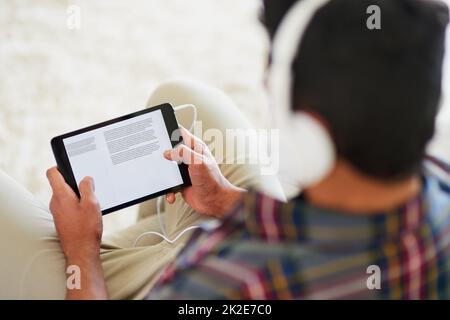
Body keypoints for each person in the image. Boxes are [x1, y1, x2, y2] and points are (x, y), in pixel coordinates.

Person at [1, 0, 450, 299]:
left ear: (308, 132)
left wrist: (82, 251)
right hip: (304, 241)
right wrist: (224, 200)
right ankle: (141, 244)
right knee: (182, 97)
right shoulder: (440, 181)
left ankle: (118, 262)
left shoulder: (226, 285)